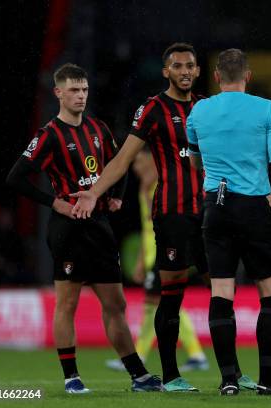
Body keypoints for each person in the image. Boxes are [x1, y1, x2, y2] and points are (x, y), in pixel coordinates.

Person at [70, 43, 260, 392]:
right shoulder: (153, 109)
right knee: (172, 295)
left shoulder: (208, 107)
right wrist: (95, 191)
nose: (185, 71)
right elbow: (123, 159)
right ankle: (172, 376)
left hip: (211, 213)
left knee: (222, 293)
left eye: (190, 65)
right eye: (177, 66)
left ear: (199, 71)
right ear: (165, 72)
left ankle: (232, 374)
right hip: (173, 214)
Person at [6, 63, 162, 393]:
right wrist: (55, 203)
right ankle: (71, 377)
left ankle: (138, 375)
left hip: (100, 226)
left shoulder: (98, 128)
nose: (80, 95)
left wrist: (116, 197)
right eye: (74, 90)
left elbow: (118, 164)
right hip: (68, 228)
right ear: (59, 93)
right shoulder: (49, 135)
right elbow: (16, 178)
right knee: (68, 304)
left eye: (85, 90)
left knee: (116, 304)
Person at [186, 48, 271, 396]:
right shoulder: (265, 108)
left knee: (222, 291)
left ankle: (227, 380)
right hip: (253, 209)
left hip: (216, 208)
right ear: (248, 76)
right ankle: (268, 380)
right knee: (270, 293)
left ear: (216, 76)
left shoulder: (199, 110)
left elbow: (196, 161)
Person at [105, 146, 209, 373]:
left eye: (139, 163)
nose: (135, 168)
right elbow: (147, 229)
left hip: (165, 253)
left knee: (157, 304)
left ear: (152, 162)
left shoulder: (161, 188)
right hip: (154, 255)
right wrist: (143, 259)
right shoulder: (145, 189)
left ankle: (139, 355)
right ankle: (195, 355)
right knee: (166, 304)